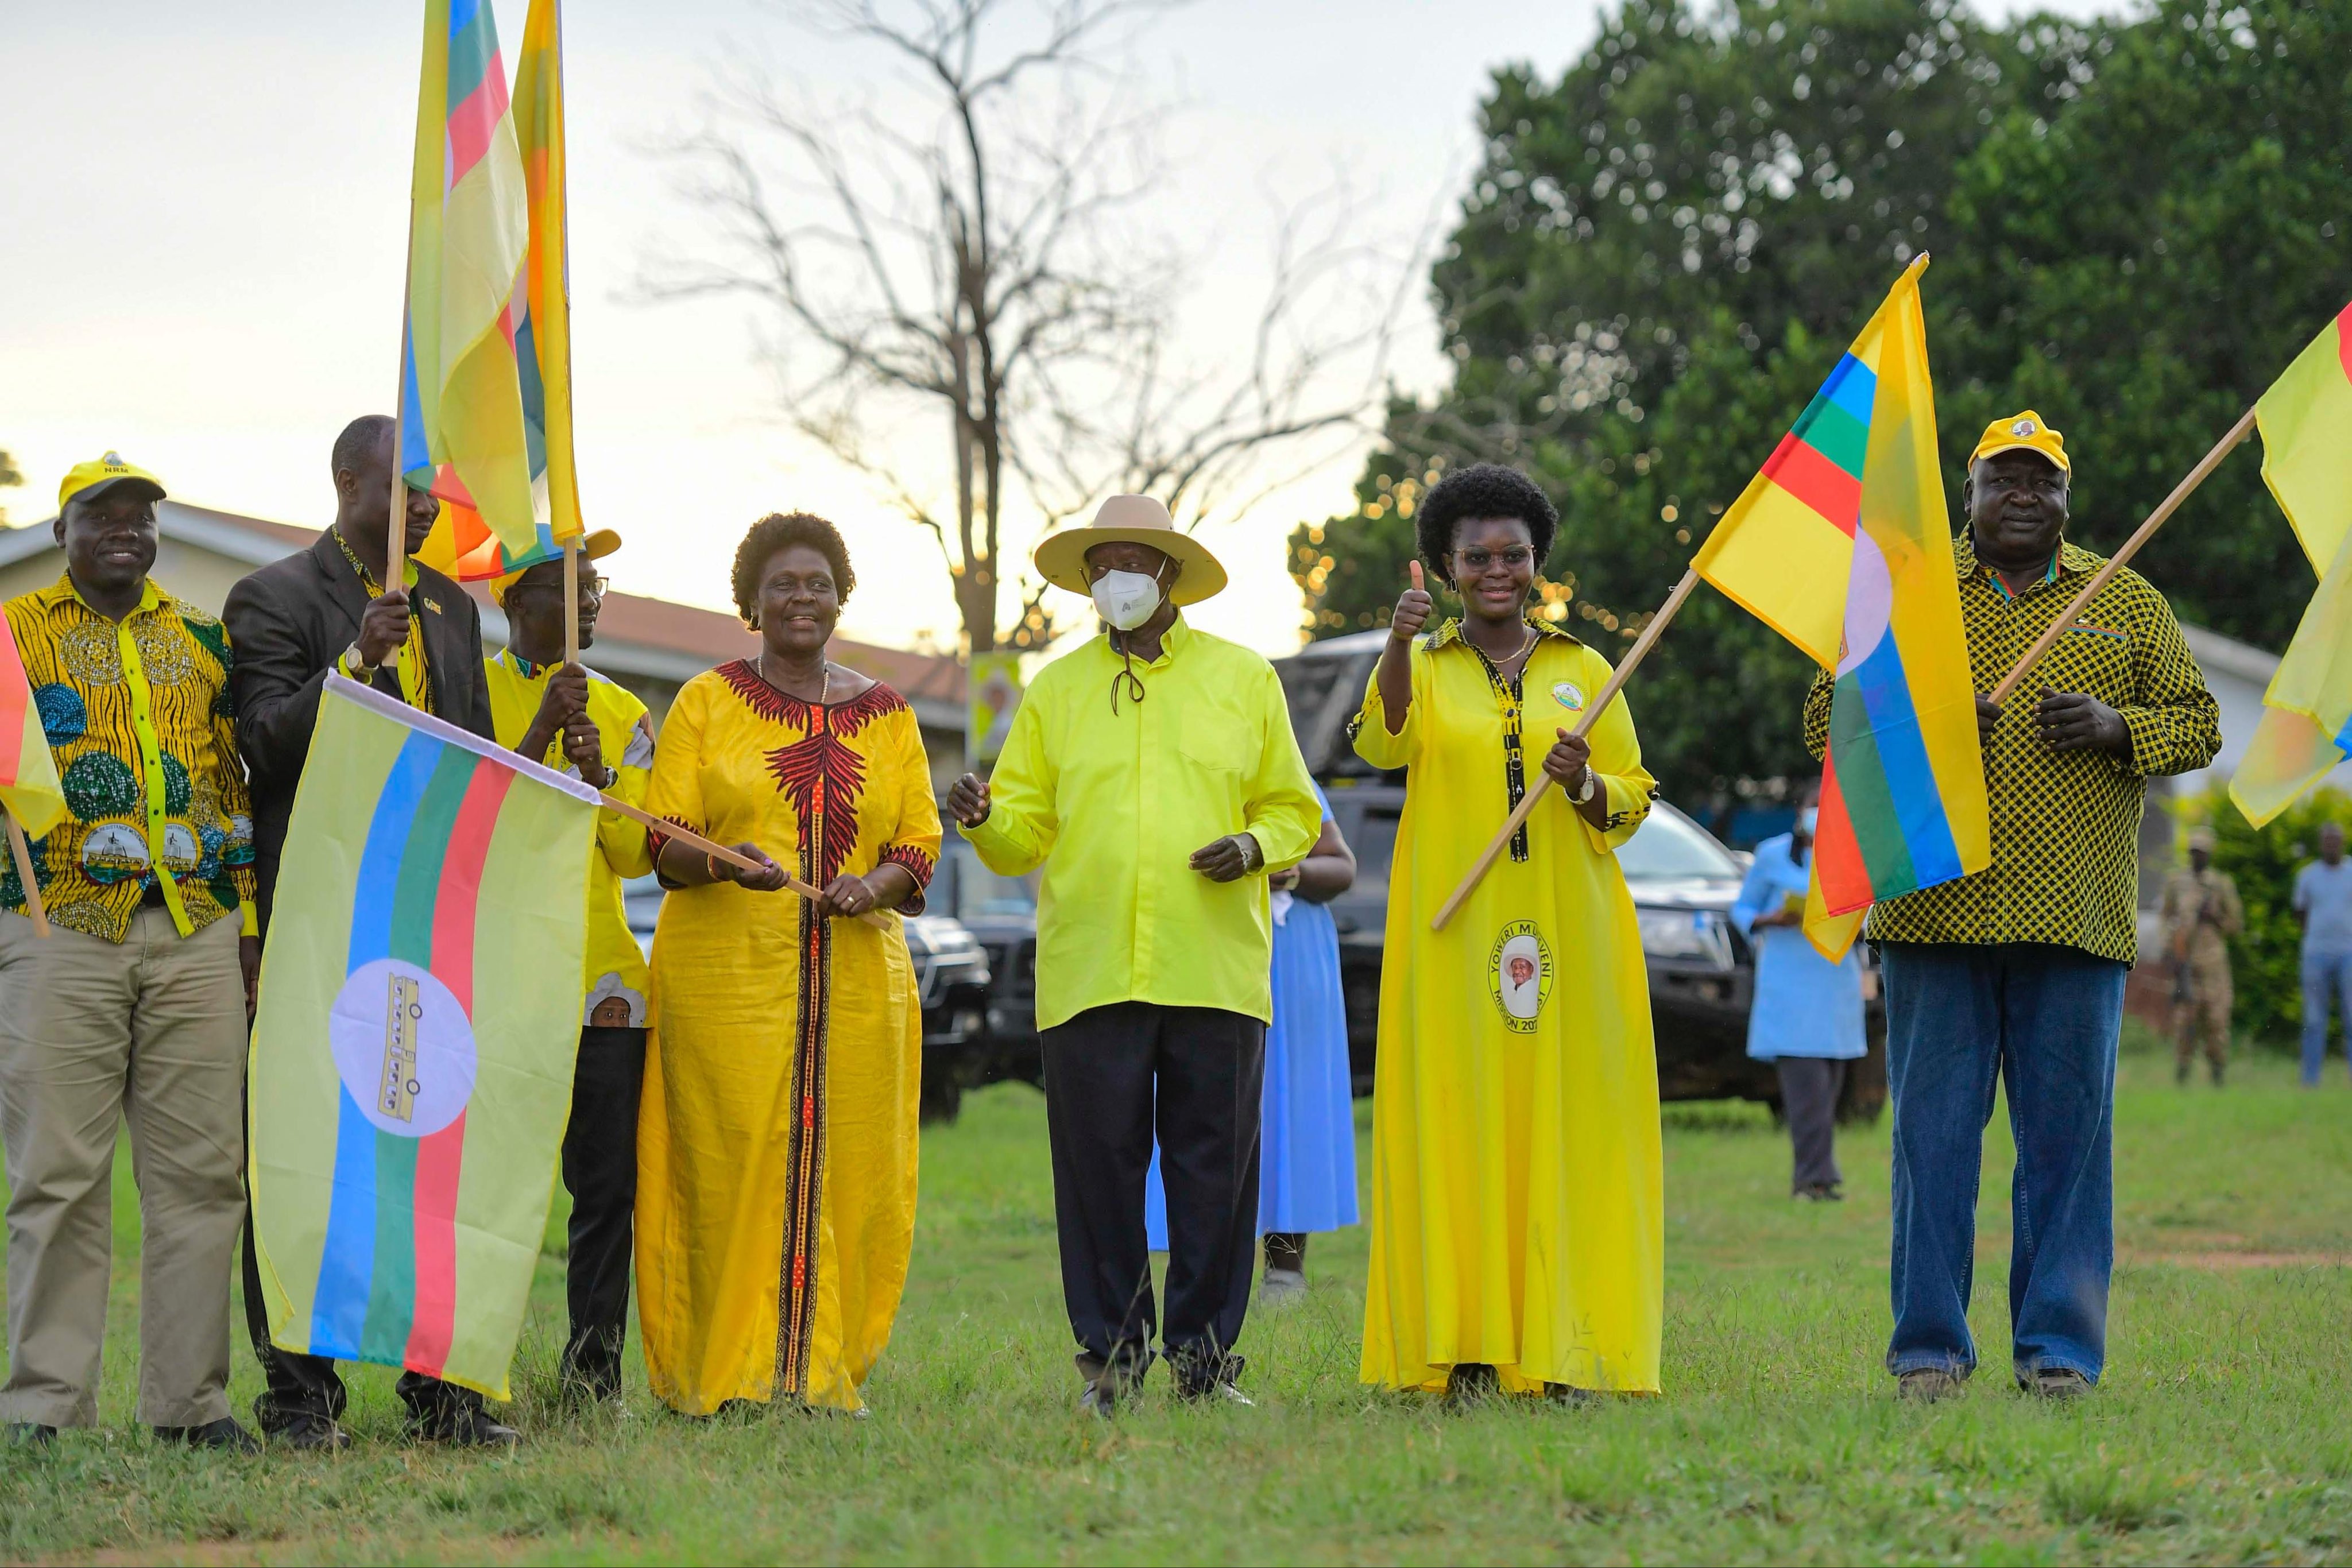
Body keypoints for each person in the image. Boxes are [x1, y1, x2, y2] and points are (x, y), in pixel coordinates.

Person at [1805, 412, 2219, 1404]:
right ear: (1970, 494)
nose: (2025, 494)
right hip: (1931, 915)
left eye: (2043, 479)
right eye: (2005, 478)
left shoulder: (2124, 600)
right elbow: (1826, 718)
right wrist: (1933, 719)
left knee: (2068, 1152)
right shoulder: (1906, 592)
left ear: (2068, 497)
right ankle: (1929, 1351)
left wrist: (2120, 727)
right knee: (1932, 1147)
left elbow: (2200, 723)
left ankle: (2058, 1351)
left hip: (2075, 920)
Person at [947, 495, 1321, 1415]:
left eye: (1134, 559)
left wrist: (1254, 846)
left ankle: (1203, 1365)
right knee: (1098, 1175)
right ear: (1087, 580)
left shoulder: (1243, 678)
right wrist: (987, 818)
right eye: (1100, 562)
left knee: (1214, 1174)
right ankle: (1112, 1362)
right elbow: (1025, 834)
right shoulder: (1056, 691)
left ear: (1168, 572)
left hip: (1215, 967)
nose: (1117, 576)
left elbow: (1294, 808)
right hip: (1091, 968)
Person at [222, 415, 513, 1449]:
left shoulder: (451, 605)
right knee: (308, 1149)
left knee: (430, 1147)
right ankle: (301, 1395)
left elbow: (475, 754)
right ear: (350, 483)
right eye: (408, 489)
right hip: (322, 908)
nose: (427, 508)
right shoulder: (273, 597)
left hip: (429, 911)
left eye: (433, 492)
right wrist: (352, 659)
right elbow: (261, 746)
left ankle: (443, 1390)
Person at [1351, 462, 1662, 1402]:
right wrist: (1397, 644)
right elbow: (1381, 742)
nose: (1498, 571)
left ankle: (1569, 1347)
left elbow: (1632, 799)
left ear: (1538, 561)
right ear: (1444, 567)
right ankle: (1468, 1348)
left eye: (1514, 554)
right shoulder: (1424, 663)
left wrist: (1583, 782)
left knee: (1566, 1122)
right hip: (1454, 938)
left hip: (1571, 930)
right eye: (1477, 556)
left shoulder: (1586, 669)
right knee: (1463, 1119)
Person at [635, 512, 939, 1416]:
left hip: (860, 987)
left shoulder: (889, 714)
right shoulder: (704, 702)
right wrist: (726, 861)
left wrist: (872, 885)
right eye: (783, 584)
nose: (802, 597)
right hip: (727, 984)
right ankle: (724, 1373)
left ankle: (820, 1370)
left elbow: (918, 840)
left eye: (818, 583)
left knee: (852, 1165)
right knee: (726, 1165)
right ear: (752, 602)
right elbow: (663, 840)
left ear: (840, 598)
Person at [0, 455, 260, 1452]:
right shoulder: (12, 635)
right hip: (57, 927)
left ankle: (189, 1406)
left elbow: (231, 787)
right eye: (100, 514)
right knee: (56, 1174)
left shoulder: (202, 638)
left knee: (203, 1176)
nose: (124, 528)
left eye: (140, 515)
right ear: (60, 531)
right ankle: (43, 1405)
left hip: (196, 930)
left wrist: (245, 926)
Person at [481, 531, 655, 1400]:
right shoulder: (465, 689)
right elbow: (476, 827)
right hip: (495, 979)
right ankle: (470, 1378)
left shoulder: (623, 710)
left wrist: (601, 771)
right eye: (568, 587)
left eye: (596, 586)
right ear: (514, 599)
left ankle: (592, 1378)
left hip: (604, 987)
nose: (588, 602)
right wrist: (544, 725)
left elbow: (636, 853)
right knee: (491, 1188)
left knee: (606, 1191)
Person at [1144, 782, 1360, 1304]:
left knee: (1289, 1101)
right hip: (1203, 945)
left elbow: (1342, 865)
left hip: (1290, 952)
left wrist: (1292, 872)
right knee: (1200, 1099)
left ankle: (1285, 1269)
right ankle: (1202, 1263)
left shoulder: (1282, 771)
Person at [1730, 779, 1866, 1200]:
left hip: (1835, 988)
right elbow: (1742, 909)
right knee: (1807, 1096)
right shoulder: (1771, 855)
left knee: (1830, 1092)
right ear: (1799, 811)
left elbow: (1867, 916)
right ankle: (1813, 1179)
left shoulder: (1852, 856)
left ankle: (1818, 1179)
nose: (1819, 815)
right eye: (1813, 806)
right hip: (1789, 992)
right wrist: (1771, 920)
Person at [2160, 826, 2241, 1087]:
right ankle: (2182, 1074)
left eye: (2202, 852)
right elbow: (2166, 918)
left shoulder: (2221, 885)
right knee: (2185, 1021)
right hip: (2186, 962)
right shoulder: (2177, 883)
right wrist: (2170, 949)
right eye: (2194, 852)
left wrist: (2215, 917)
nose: (2198, 857)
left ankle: (2218, 1073)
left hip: (2214, 964)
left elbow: (2236, 925)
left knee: (2217, 1020)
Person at [2292, 821, 2352, 1087]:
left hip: (2349, 954)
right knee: (2314, 1018)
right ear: (2321, 844)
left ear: (2342, 843)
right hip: (2315, 954)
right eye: (2327, 841)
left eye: (2335, 841)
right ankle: (2311, 1079)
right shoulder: (2307, 876)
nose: (2331, 846)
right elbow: (2300, 913)